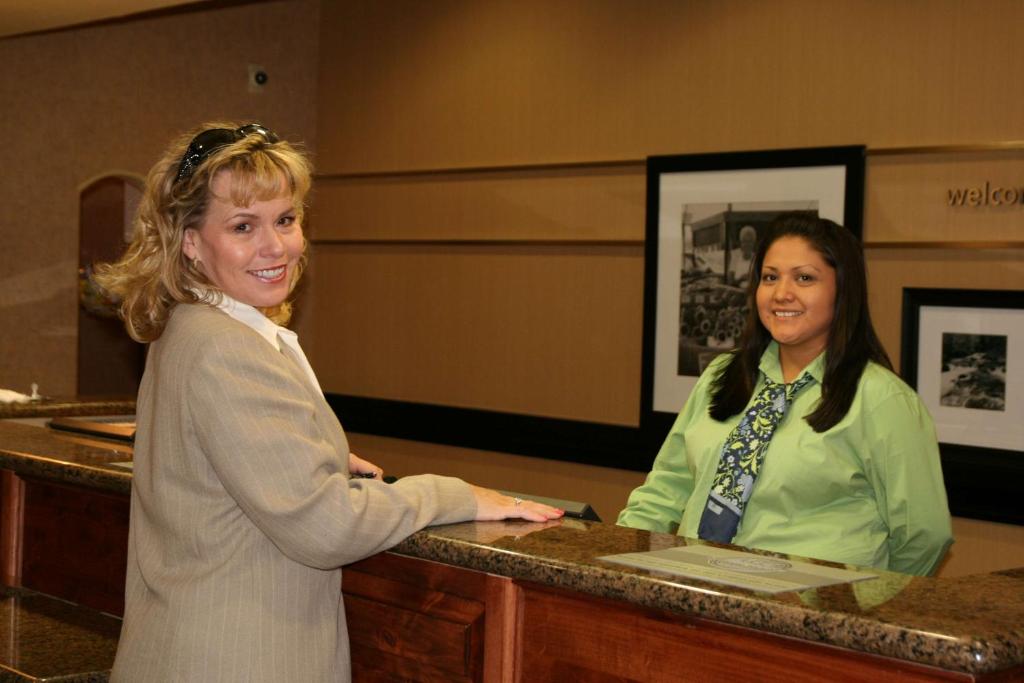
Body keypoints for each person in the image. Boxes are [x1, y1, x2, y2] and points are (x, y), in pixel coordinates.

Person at [94, 122, 563, 682]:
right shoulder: (226, 348)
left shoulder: (189, 327)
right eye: (244, 226)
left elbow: (214, 464)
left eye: (286, 220)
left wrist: (314, 455)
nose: (275, 246)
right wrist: (451, 494)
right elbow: (325, 529)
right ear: (190, 241)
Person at [619, 212, 952, 576]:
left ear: (843, 290)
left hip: (816, 614)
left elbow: (924, 535)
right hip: (699, 589)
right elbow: (668, 485)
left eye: (805, 278)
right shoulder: (723, 374)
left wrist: (869, 605)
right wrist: (613, 556)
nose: (782, 293)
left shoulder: (882, 399)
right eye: (770, 277)